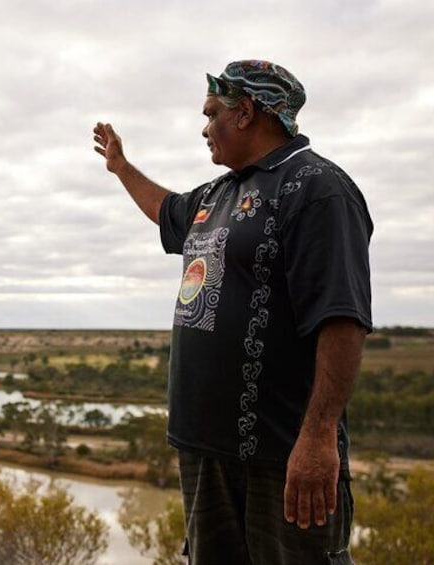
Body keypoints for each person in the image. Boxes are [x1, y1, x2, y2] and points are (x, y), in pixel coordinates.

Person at [94, 60, 372, 564]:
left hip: (282, 455)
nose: (204, 128)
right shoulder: (218, 194)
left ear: (244, 113)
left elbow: (342, 319)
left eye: (210, 114)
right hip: (206, 452)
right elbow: (166, 210)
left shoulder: (317, 189)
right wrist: (121, 168)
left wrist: (317, 438)